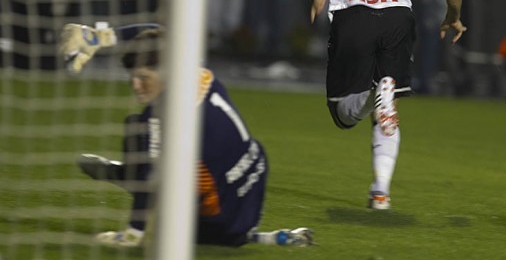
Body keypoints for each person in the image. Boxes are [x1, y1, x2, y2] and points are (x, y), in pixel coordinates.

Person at [58, 23, 314, 248]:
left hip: (219, 221)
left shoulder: (159, 119)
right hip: (254, 186)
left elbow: (150, 181)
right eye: (133, 77)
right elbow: (159, 33)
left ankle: (120, 174)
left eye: (144, 78)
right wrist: (100, 38)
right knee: (183, 160)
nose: (136, 85)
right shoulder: (197, 72)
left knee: (137, 133)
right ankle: (258, 236)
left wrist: (133, 233)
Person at [310, 0, 466, 209]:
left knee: (343, 114)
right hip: (397, 16)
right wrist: (452, 19)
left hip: (354, 14)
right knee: (388, 107)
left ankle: (371, 94)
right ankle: (380, 190)